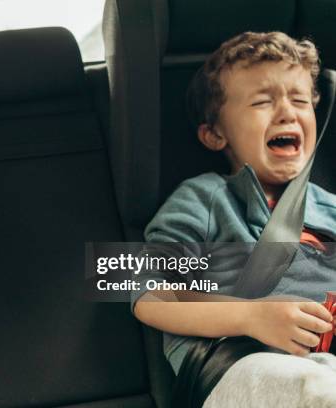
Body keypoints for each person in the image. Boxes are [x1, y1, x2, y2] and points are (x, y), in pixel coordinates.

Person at [132, 32, 336, 407]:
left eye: (300, 100)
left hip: (325, 363)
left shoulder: (330, 208)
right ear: (214, 135)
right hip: (239, 367)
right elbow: (147, 293)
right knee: (318, 390)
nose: (287, 112)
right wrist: (250, 317)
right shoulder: (205, 198)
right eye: (262, 101)